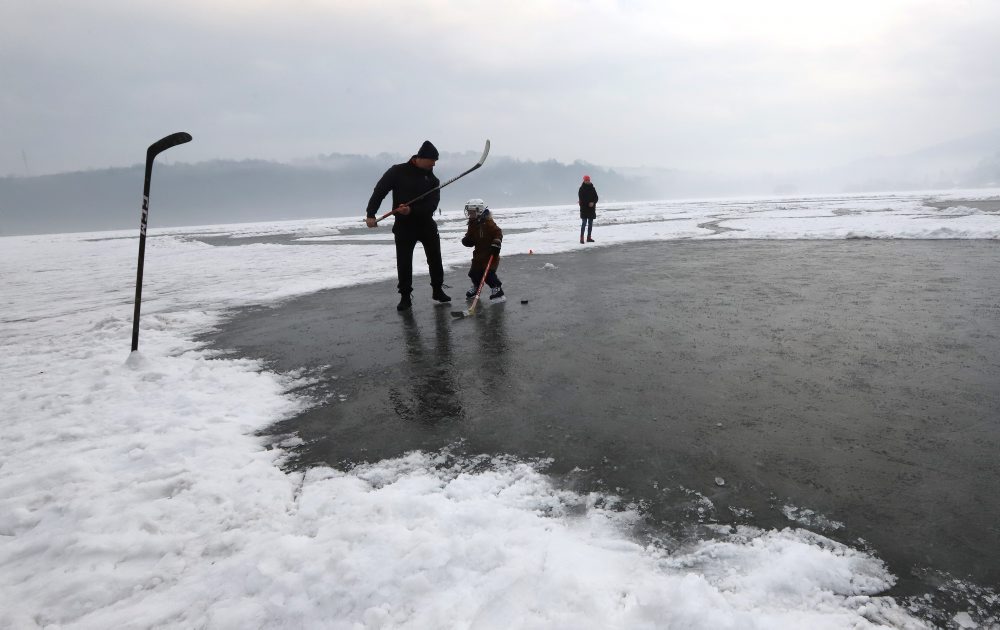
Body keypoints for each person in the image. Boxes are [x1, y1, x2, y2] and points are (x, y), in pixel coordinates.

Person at [365, 140, 451, 311]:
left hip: (426, 224)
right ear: (421, 157)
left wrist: (411, 210)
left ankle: (437, 290)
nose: (434, 164)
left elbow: (432, 206)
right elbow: (380, 191)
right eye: (432, 160)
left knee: (435, 258)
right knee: (404, 262)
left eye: (435, 161)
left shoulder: (433, 179)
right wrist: (370, 214)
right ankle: (405, 296)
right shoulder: (398, 171)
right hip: (404, 226)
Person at [460, 199, 505, 302]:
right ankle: (476, 287)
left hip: (490, 254)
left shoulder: (488, 223)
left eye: (472, 212)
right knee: (474, 273)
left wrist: (497, 242)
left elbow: (498, 232)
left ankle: (497, 289)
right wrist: (467, 240)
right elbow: (470, 236)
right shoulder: (472, 223)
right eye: (469, 212)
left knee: (489, 274)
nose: (470, 214)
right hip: (478, 255)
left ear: (479, 211)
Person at [578, 174, 598, 244]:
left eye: (588, 180)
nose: (587, 181)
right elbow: (581, 199)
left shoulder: (593, 188)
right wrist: (588, 203)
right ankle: (581, 238)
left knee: (590, 224)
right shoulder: (581, 189)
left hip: (591, 209)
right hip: (584, 209)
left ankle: (589, 237)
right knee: (584, 223)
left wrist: (593, 202)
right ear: (584, 180)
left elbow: (596, 197)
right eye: (586, 180)